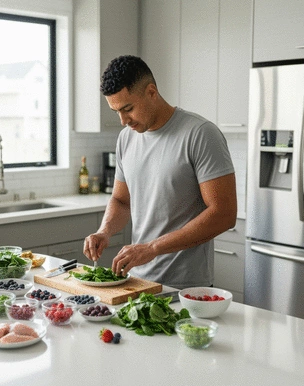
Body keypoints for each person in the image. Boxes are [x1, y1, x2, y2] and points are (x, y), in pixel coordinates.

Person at [83, 55, 237, 289]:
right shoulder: (126, 138)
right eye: (117, 112)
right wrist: (105, 231)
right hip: (138, 281)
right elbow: (122, 200)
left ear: (151, 92)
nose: (124, 120)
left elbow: (224, 213)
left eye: (128, 108)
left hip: (187, 286)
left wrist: (153, 248)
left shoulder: (200, 134)